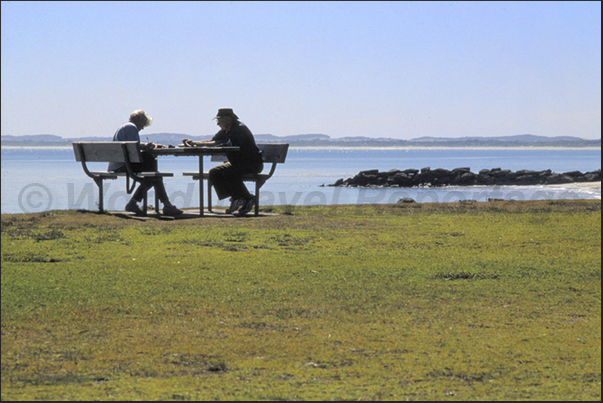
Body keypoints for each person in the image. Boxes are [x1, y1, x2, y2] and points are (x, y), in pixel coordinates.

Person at [183, 108, 263, 215]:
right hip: (238, 164)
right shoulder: (226, 130)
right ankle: (238, 198)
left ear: (228, 120)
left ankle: (246, 198)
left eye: (219, 120)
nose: (217, 124)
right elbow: (213, 141)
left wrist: (206, 145)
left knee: (229, 172)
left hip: (251, 164)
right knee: (215, 172)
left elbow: (225, 144)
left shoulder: (239, 129)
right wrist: (195, 143)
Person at [108, 110, 182, 216]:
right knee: (154, 174)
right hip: (123, 165)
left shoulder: (125, 127)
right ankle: (166, 205)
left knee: (153, 175)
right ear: (139, 121)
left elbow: (132, 146)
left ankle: (137, 203)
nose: (143, 127)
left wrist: (146, 145)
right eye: (144, 124)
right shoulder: (131, 128)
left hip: (118, 164)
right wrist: (147, 147)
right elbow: (134, 148)